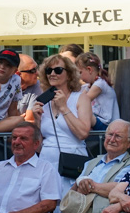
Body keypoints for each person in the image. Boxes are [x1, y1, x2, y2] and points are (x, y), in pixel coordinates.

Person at [32, 54, 94, 196]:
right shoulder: (44, 101)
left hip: (71, 163)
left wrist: (64, 108)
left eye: (58, 70)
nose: (52, 74)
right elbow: (39, 145)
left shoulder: (80, 97)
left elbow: (83, 133)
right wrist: (37, 121)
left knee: (67, 207)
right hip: (46, 162)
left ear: (69, 74)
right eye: (49, 70)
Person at [76, 52, 120, 130]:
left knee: (85, 114)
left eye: (80, 72)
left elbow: (83, 101)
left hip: (107, 125)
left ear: (89, 69)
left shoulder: (100, 84)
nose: (79, 76)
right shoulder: (91, 85)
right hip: (99, 121)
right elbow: (79, 98)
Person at [16, 54, 42, 123]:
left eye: (37, 68)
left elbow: (30, 120)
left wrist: (12, 121)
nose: (38, 73)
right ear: (18, 74)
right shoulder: (3, 86)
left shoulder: (37, 85)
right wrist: (19, 120)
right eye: (33, 70)